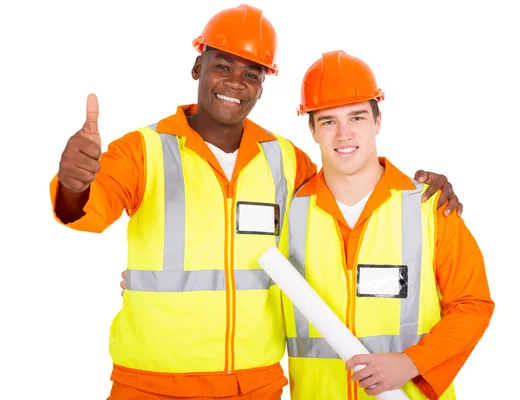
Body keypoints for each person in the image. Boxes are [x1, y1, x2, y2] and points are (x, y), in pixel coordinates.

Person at [51, 5, 463, 400]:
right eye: (222, 66)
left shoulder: (284, 160)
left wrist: (420, 187)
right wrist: (74, 184)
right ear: (198, 67)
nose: (235, 83)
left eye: (251, 73)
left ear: (263, 85)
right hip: (151, 385)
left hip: (254, 387)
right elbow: (90, 208)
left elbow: (351, 189)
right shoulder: (145, 151)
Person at [277, 50, 494, 400]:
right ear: (312, 130)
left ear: (378, 121)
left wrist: (410, 363)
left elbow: (472, 305)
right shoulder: (289, 213)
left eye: (357, 117)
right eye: (329, 121)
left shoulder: (429, 206)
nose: (344, 134)